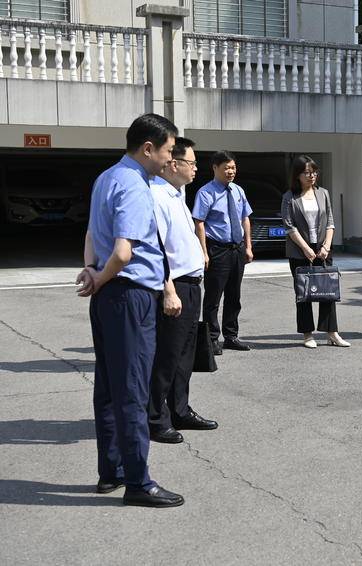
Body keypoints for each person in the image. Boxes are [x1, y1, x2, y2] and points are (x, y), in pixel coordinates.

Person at [75, 113, 184, 507]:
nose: (171, 159)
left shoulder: (106, 178)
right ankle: (138, 482)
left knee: (108, 388)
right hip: (130, 296)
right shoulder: (135, 186)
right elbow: (123, 253)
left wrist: (92, 271)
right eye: (168, 151)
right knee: (133, 390)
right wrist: (102, 276)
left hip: (109, 299)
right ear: (148, 148)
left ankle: (112, 472)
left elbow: (92, 234)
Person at [148, 137, 218, 445]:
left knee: (185, 356)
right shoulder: (157, 196)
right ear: (174, 165)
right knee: (166, 356)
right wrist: (168, 290)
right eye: (191, 163)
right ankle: (155, 418)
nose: (195, 168)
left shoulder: (177, 194)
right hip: (175, 287)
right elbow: (157, 249)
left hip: (191, 285)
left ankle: (179, 410)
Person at [281, 155, 350, 348]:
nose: (311, 176)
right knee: (303, 293)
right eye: (306, 173)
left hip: (323, 249)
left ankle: (332, 333)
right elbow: (289, 227)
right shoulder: (289, 197)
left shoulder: (323, 193)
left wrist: (326, 246)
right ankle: (307, 334)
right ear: (297, 175)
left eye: (314, 172)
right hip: (299, 251)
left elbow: (330, 222)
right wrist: (305, 248)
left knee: (328, 291)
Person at [192, 151, 254, 354]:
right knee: (213, 297)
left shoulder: (238, 190)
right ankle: (211, 338)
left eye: (233, 168)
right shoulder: (206, 193)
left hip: (237, 248)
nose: (231, 171)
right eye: (226, 168)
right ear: (215, 168)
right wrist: (204, 252)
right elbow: (199, 223)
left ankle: (231, 336)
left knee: (234, 295)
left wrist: (248, 246)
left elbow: (245, 218)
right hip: (217, 249)